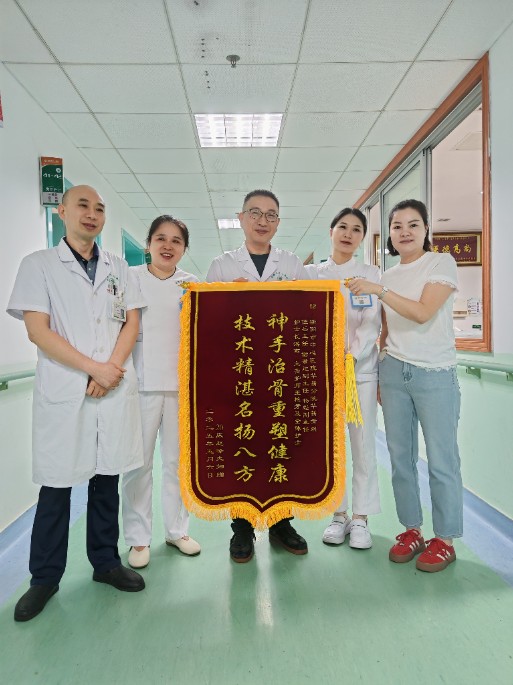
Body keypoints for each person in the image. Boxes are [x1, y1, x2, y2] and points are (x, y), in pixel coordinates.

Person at [7, 185, 146, 622]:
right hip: (68, 388)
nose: (92, 214)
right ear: (62, 212)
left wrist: (111, 369)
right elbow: (38, 331)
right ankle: (44, 578)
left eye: (99, 208)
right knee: (56, 487)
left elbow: (131, 323)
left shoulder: (119, 268)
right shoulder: (39, 265)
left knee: (106, 482)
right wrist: (93, 369)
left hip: (111, 386)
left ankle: (105, 563)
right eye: (82, 206)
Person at [347, 199, 462, 573]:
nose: (405, 232)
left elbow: (423, 312)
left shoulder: (440, 263)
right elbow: (386, 328)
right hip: (394, 372)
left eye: (413, 224)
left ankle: (445, 539)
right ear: (390, 234)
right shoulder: (388, 275)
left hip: (435, 373)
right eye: (397, 226)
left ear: (426, 229)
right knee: (400, 459)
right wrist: (382, 374)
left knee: (442, 461)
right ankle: (412, 530)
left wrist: (378, 291)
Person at [206, 189, 310, 563]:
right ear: (241, 218)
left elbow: (309, 314)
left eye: (270, 215)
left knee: (280, 447)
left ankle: (281, 523)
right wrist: (226, 298)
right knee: (244, 450)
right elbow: (206, 321)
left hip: (281, 372)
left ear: (278, 223)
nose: (262, 221)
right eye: (255, 213)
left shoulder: (292, 264)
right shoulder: (221, 266)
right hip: (240, 374)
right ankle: (242, 528)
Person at [122, 216, 201, 569]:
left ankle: (177, 531)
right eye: (160, 239)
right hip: (140, 385)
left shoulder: (192, 284)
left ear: (184, 248)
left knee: (177, 462)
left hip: (181, 387)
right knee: (138, 465)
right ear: (149, 244)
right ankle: (138, 538)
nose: (168, 246)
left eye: (176, 241)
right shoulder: (130, 279)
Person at [306, 208, 381, 550]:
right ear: (331, 231)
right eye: (343, 227)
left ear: (362, 237)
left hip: (359, 373)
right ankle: (339, 515)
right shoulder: (312, 274)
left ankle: (361, 518)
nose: (348, 234)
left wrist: (350, 355)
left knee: (362, 446)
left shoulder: (369, 274)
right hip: (322, 376)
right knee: (331, 447)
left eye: (356, 229)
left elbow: (371, 322)